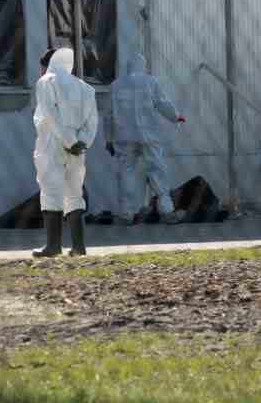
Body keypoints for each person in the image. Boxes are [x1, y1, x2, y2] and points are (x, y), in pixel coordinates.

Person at [32, 46, 98, 257]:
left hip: (53, 142)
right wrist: (82, 142)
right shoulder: (85, 87)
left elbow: (50, 115)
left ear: (47, 65)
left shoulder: (46, 82)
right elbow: (92, 121)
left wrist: (67, 141)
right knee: (74, 193)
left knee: (51, 191)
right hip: (78, 147)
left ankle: (53, 246)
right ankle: (79, 247)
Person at [106, 52, 185, 225]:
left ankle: (125, 214)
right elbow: (163, 103)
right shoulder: (151, 82)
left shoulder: (116, 86)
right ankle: (166, 211)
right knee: (157, 171)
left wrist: (108, 139)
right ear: (143, 65)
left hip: (125, 137)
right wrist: (176, 117)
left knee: (126, 174)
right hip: (148, 136)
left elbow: (109, 115)